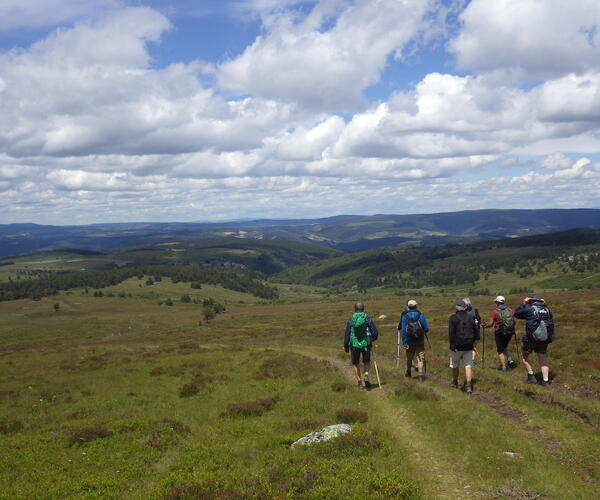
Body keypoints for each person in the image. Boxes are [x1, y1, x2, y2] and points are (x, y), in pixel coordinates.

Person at [514, 294, 554, 386]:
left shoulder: (530, 309)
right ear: (540, 301)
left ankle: (531, 376)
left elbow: (517, 314)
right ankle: (545, 381)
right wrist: (544, 305)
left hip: (531, 339)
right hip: (544, 338)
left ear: (531, 301)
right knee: (543, 359)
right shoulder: (547, 310)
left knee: (524, 356)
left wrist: (523, 303)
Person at [344, 302, 379, 389]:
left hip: (354, 345)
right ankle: (366, 374)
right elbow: (375, 332)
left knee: (355, 363)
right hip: (366, 344)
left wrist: (346, 345)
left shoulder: (351, 319)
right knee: (366, 361)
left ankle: (359, 382)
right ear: (363, 309)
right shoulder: (367, 318)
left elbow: (347, 333)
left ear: (355, 309)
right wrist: (371, 339)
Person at [448, 300, 480, 393]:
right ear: (465, 307)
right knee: (468, 365)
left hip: (457, 346)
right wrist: (475, 341)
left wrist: (452, 345)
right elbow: (476, 331)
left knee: (455, 365)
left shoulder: (453, 318)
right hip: (469, 345)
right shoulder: (471, 317)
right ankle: (469, 386)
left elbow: (451, 333)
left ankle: (455, 382)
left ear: (457, 307)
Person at [399, 299, 429, 381]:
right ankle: (420, 375)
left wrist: (404, 343)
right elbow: (426, 328)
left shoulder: (405, 317)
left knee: (409, 358)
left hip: (409, 340)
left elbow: (404, 331)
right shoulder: (421, 316)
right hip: (420, 340)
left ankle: (408, 372)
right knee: (420, 358)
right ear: (416, 306)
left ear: (408, 307)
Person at [484, 295, 516, 372]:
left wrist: (485, 325)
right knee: (505, 346)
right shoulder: (510, 310)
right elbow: (514, 321)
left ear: (497, 302)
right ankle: (510, 361)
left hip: (500, 332)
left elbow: (491, 324)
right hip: (510, 332)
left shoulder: (495, 311)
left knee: (500, 350)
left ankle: (504, 367)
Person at [463, 297, 481, 364]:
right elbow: (479, 320)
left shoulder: (464, 312)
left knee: (470, 346)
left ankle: (470, 360)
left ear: (466, 305)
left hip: (469, 332)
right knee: (473, 346)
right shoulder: (475, 311)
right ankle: (472, 360)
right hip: (476, 331)